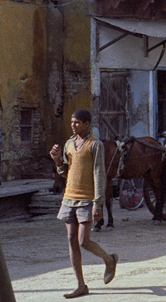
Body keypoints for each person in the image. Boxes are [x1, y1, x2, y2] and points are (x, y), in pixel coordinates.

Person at [49, 109, 118, 299]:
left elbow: (99, 174)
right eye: (72, 122)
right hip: (69, 198)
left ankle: (109, 259)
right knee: (71, 241)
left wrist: (98, 203)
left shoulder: (95, 145)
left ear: (87, 124)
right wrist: (56, 159)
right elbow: (65, 171)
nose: (73, 125)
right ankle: (80, 285)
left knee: (83, 241)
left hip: (87, 199)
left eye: (77, 122)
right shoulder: (69, 144)